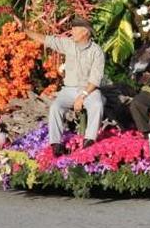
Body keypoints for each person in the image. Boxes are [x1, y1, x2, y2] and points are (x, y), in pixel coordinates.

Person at [21, 17, 106, 156]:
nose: (71, 31)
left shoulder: (97, 51)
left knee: (97, 104)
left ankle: (89, 141)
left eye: (75, 29)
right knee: (56, 107)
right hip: (69, 89)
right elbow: (46, 39)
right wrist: (25, 30)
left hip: (89, 89)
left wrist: (83, 96)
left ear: (85, 32)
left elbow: (95, 79)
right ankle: (56, 145)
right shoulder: (68, 44)